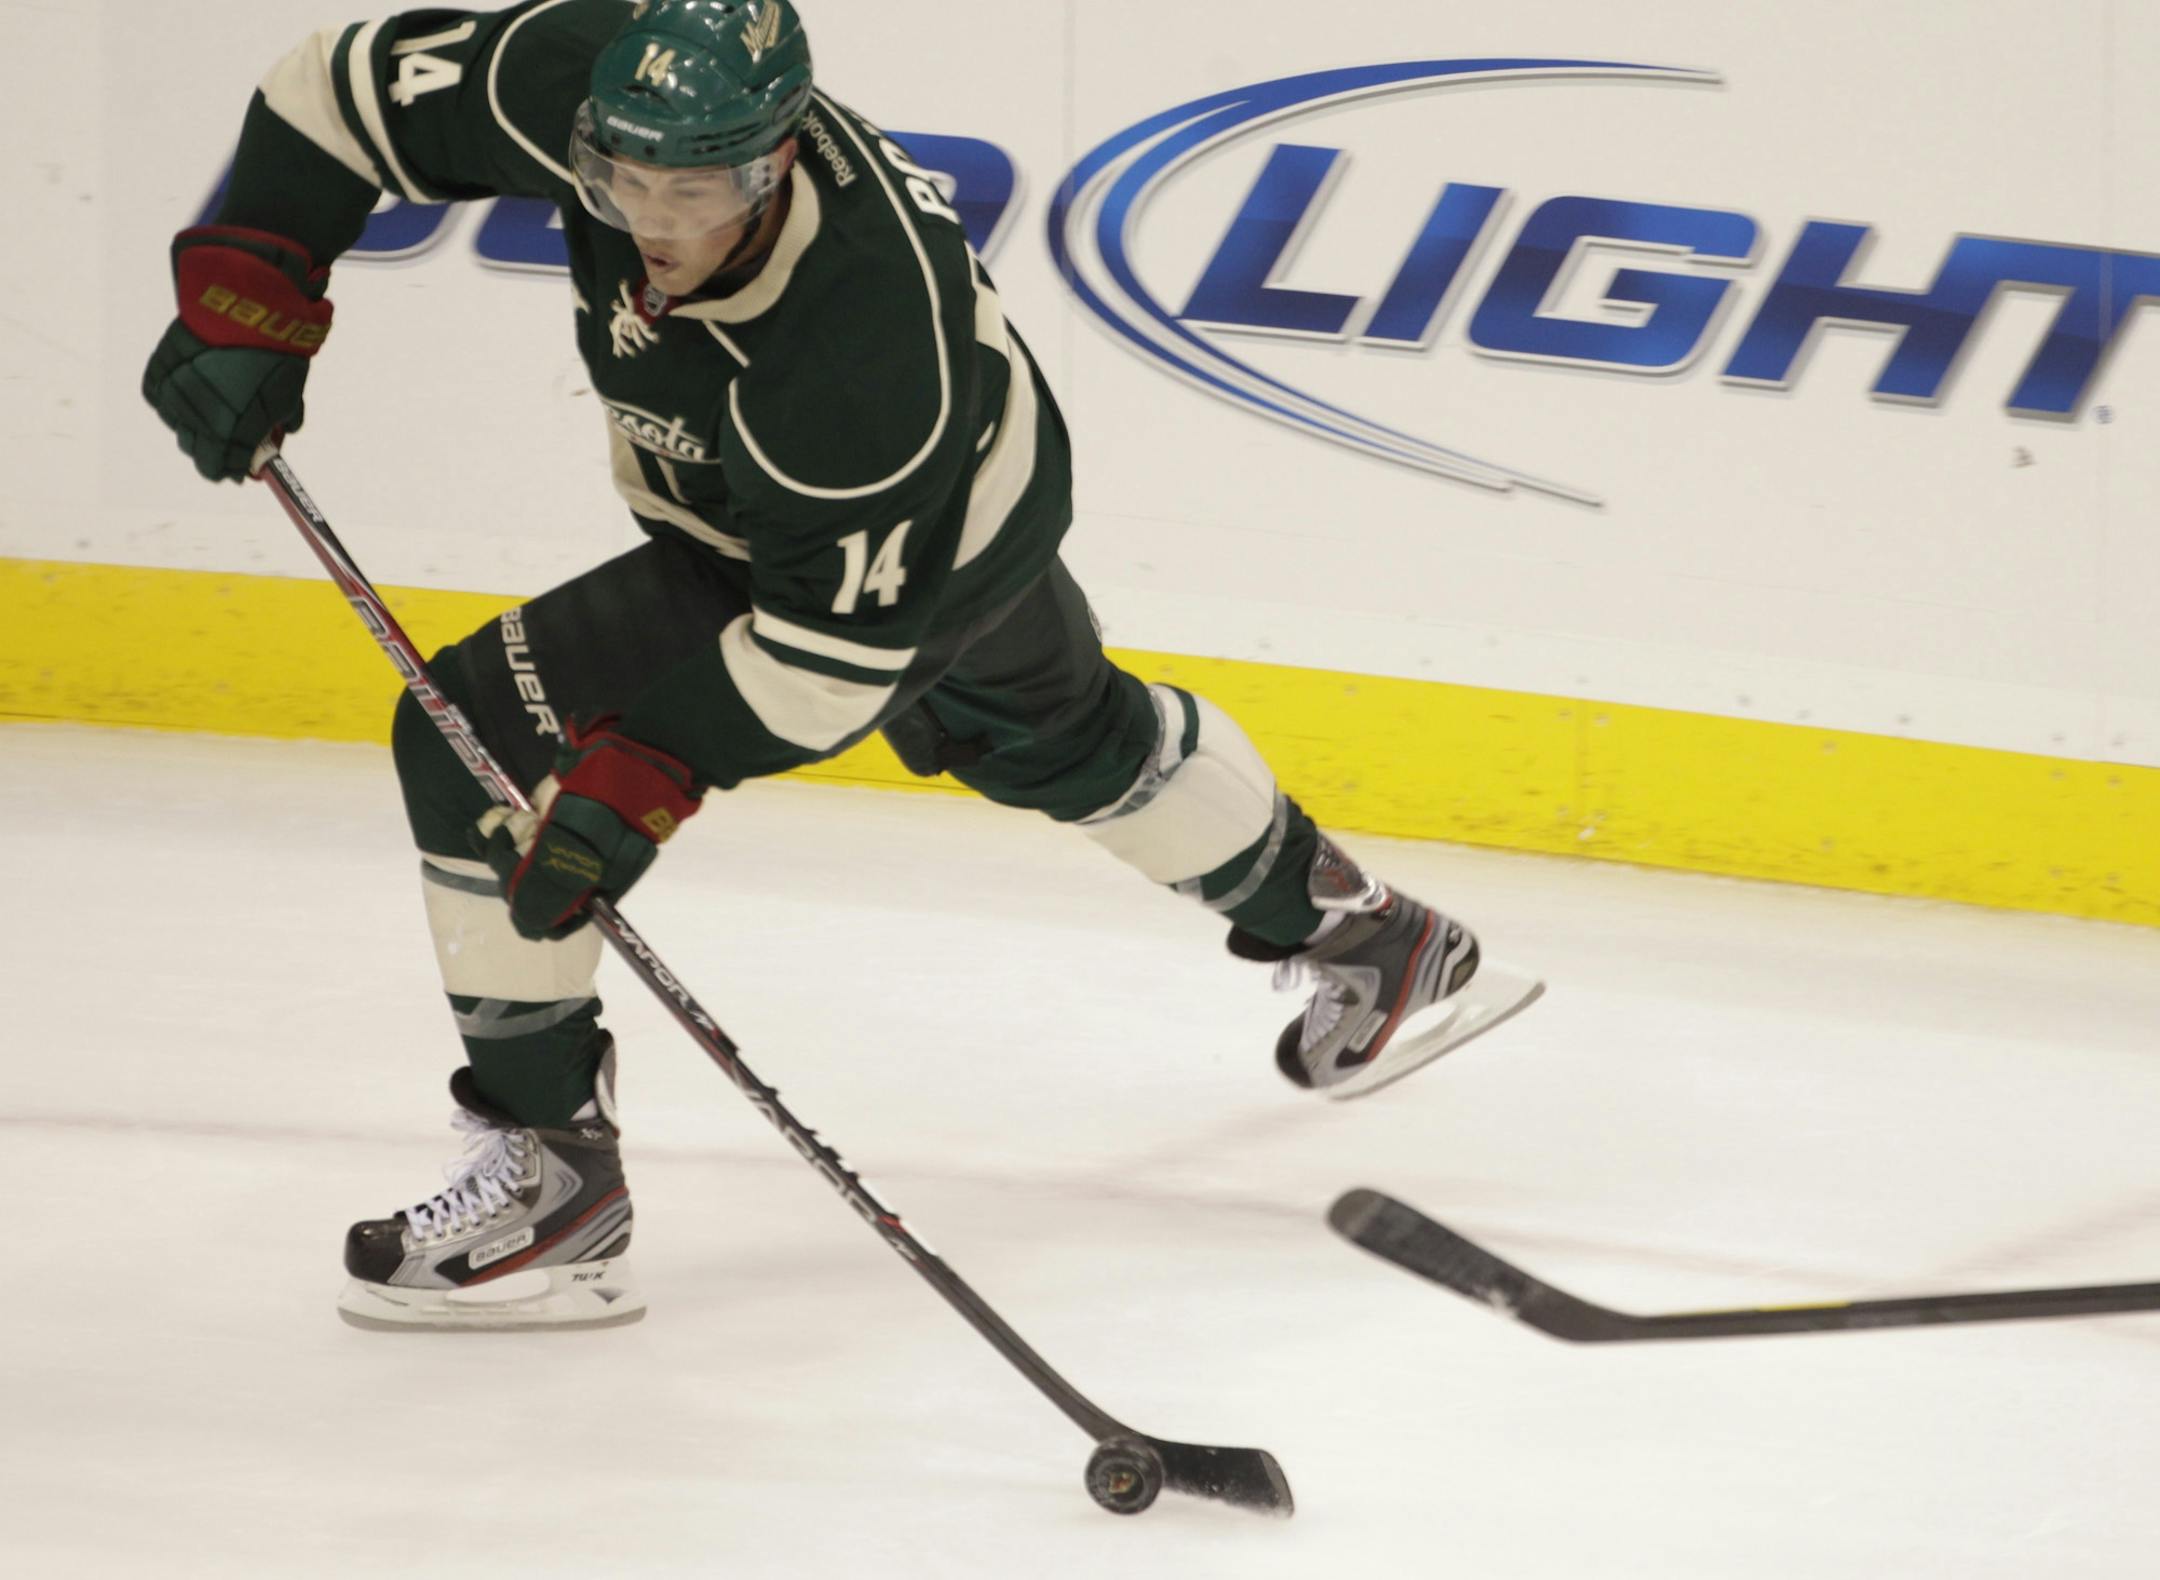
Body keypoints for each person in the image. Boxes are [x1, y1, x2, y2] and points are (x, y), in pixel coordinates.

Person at [143, 0, 1541, 1331]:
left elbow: (828, 660)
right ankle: (1372, 936)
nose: (650, 225)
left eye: (693, 196)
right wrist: (251, 283)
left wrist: (637, 777)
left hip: (895, 556)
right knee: (1067, 740)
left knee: (468, 743)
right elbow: (333, 92)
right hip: (915, 513)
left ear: (778, 159)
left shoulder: (861, 359)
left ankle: (551, 1180)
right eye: (620, 180)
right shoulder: (588, 78)